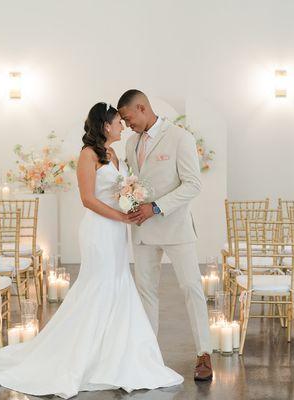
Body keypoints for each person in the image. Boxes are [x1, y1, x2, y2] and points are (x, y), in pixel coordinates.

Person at [0, 102, 184, 399]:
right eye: (118, 122)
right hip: (99, 229)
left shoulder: (113, 154)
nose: (122, 125)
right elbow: (88, 199)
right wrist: (121, 216)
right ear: (105, 126)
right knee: (98, 286)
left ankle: (115, 355)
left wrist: (130, 202)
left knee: (119, 285)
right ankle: (82, 356)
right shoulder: (87, 155)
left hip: (116, 230)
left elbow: (118, 191)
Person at [117, 89, 212, 381]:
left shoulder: (180, 137)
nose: (126, 124)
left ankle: (204, 354)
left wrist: (156, 207)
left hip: (175, 227)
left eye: (128, 117)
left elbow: (193, 185)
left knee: (191, 289)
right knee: (146, 293)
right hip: (143, 230)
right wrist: (131, 204)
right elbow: (134, 181)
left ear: (142, 108)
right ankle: (147, 355)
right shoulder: (131, 143)